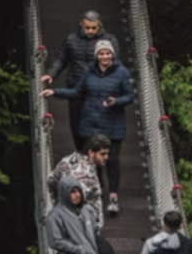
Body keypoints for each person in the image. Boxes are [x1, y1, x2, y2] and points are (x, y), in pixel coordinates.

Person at [41, 39, 133, 215]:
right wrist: (55, 92)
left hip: (113, 125)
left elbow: (129, 96)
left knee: (112, 159)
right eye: (101, 53)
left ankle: (113, 197)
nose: (105, 56)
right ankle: (97, 191)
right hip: (93, 123)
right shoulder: (88, 72)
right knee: (94, 161)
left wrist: (116, 101)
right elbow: (77, 92)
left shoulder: (121, 72)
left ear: (112, 55)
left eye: (108, 53)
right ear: (97, 56)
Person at [41, 10, 119, 152]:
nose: (90, 31)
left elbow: (115, 64)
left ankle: (96, 155)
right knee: (77, 124)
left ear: (99, 25)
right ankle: (82, 152)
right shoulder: (71, 40)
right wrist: (51, 74)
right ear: (81, 25)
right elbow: (61, 59)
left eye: (94, 28)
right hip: (76, 88)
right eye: (87, 27)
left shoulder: (109, 41)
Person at [47, 135, 111, 229]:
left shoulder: (66, 161)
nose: (106, 157)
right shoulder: (87, 175)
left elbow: (51, 180)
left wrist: (55, 202)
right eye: (102, 154)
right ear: (91, 153)